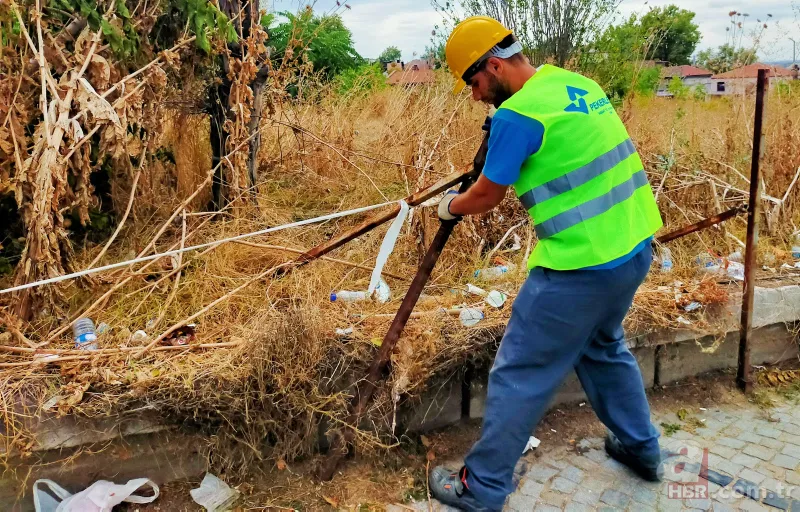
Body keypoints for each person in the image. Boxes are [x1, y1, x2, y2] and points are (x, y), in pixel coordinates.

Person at [429, 16, 665, 512]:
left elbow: (487, 195)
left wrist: (449, 206)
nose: (474, 96)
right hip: (634, 246)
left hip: (579, 267)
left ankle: (483, 487)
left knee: (520, 370)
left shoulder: (518, 116)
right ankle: (643, 449)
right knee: (603, 347)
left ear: (494, 65)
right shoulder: (576, 83)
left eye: (474, 83)